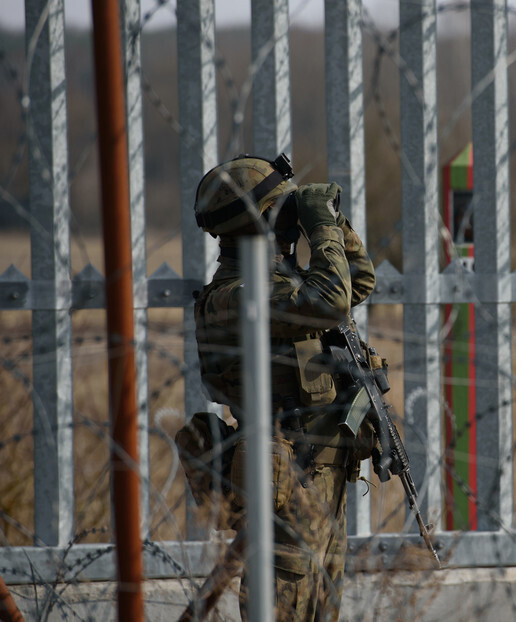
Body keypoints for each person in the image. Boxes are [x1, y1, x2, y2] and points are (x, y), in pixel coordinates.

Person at [178, 153, 375, 621]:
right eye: (281, 210)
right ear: (259, 222)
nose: (292, 219)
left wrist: (331, 221)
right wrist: (317, 227)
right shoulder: (237, 296)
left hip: (324, 473)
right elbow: (332, 299)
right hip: (290, 479)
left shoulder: (280, 286)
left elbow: (359, 280)